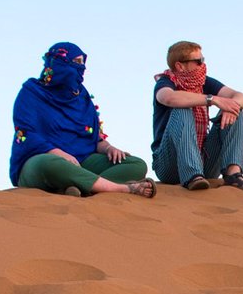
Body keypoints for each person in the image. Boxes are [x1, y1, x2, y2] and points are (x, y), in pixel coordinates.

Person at [10, 42, 155, 198]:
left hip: (82, 161)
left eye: (82, 62)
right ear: (58, 63)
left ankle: (80, 188)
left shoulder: (82, 97)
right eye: (76, 62)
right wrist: (58, 153)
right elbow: (26, 134)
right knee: (50, 164)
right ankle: (122, 188)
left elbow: (94, 138)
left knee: (136, 164)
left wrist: (109, 148)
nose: (81, 68)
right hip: (41, 161)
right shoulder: (32, 92)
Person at [151, 41, 243, 193]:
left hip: (204, 162)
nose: (203, 64)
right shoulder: (166, 82)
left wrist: (231, 106)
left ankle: (233, 174)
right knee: (182, 109)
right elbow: (168, 98)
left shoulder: (204, 82)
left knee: (235, 109)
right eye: (198, 61)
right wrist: (212, 99)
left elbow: (242, 98)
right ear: (180, 66)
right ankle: (192, 176)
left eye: (203, 59)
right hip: (169, 166)